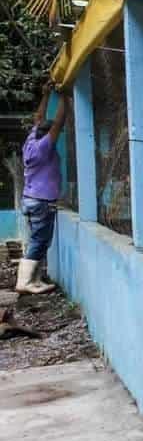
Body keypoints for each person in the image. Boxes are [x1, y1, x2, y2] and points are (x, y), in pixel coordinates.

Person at [17, 85, 68, 295]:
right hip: (40, 202)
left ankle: (35, 280)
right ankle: (24, 282)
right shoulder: (43, 148)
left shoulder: (31, 141)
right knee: (39, 241)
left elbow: (39, 117)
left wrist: (46, 94)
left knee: (39, 240)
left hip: (30, 199)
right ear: (48, 135)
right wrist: (65, 97)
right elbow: (58, 123)